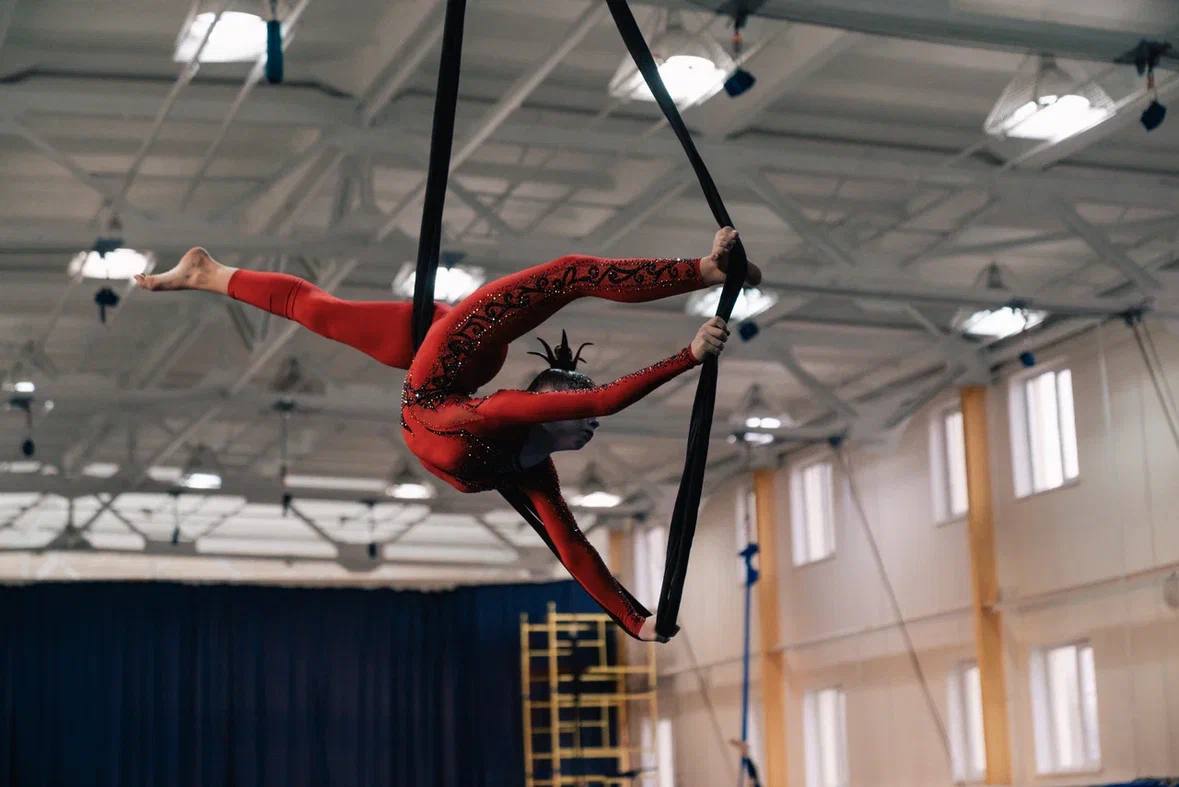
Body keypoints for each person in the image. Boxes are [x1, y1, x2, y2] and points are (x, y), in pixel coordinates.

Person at [135, 228, 759, 641]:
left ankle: (209, 272)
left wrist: (636, 622)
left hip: (437, 375)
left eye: (577, 417)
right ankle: (209, 273)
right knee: (321, 311)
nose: (589, 422)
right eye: (579, 413)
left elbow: (569, 547)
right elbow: (599, 404)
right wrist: (688, 354)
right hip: (452, 346)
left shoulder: (516, 450)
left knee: (322, 311)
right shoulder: (507, 421)